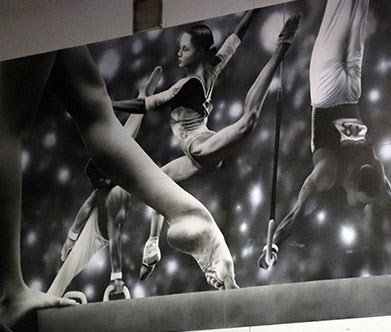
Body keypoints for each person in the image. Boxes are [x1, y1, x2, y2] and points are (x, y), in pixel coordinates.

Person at [0, 47, 237, 329]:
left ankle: (186, 212)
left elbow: (98, 114)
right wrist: (111, 273)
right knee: (13, 120)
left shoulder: (110, 196)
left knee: (91, 100)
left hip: (101, 224)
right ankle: (8, 292)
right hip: (97, 227)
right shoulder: (108, 197)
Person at [112, 9, 301, 279]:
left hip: (201, 149)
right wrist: (255, 9)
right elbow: (236, 37)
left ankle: (281, 48)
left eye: (185, 49)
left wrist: (109, 105)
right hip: (197, 155)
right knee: (158, 183)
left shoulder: (186, 86)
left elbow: (144, 105)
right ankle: (152, 247)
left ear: (199, 53)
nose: (179, 53)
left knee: (249, 121)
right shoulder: (211, 68)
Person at [259, 0, 391, 271]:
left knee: (356, 9)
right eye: (364, 202)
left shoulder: (353, 172)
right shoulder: (338, 174)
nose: (362, 205)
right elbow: (296, 215)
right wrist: (273, 245)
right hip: (330, 91)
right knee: (345, 8)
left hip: (346, 91)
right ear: (355, 190)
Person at [50, 67, 163, 300]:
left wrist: (116, 276)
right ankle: (52, 295)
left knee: (128, 133)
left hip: (112, 187)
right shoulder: (110, 193)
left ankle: (143, 94)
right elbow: (110, 232)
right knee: (67, 268)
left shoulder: (114, 163)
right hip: (97, 229)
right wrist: (71, 240)